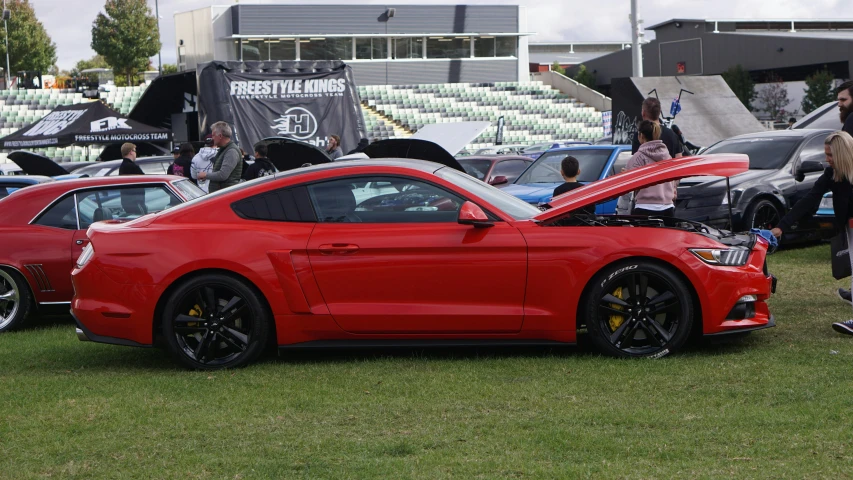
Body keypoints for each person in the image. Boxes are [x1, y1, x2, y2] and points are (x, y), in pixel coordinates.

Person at [770, 131, 853, 334]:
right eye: (826, 154)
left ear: (842, 154)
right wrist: (782, 226)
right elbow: (809, 199)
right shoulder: (831, 175)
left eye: (831, 155)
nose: (827, 160)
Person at [627, 120, 676, 216]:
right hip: (668, 207)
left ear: (640, 136)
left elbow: (628, 185)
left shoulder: (638, 158)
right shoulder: (668, 157)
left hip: (644, 208)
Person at [197, 121, 242, 192]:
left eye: (213, 135)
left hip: (226, 195)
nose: (212, 138)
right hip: (222, 194)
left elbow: (223, 175)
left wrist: (205, 175)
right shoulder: (224, 150)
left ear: (220, 136)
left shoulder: (231, 151)